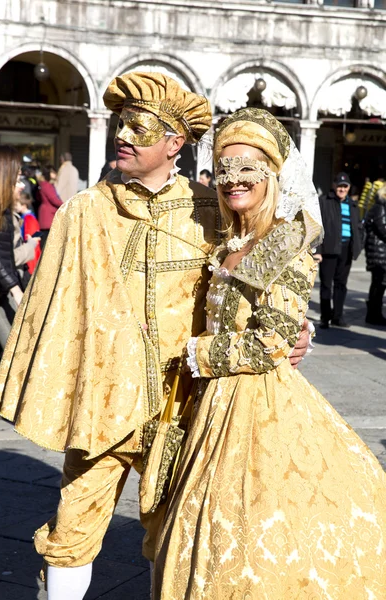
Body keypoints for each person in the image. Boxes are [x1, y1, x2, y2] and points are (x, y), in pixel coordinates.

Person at [0, 74, 310, 600]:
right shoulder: (84, 211)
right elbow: (53, 307)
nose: (124, 135)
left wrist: (298, 330)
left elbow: (249, 285)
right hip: (102, 405)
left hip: (185, 407)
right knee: (73, 529)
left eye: (139, 126)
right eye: (120, 124)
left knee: (177, 533)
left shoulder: (213, 210)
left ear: (174, 143)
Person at [153, 108, 386, 599]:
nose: (233, 180)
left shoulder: (288, 243)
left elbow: (271, 341)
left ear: (273, 177)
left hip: (258, 404)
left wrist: (197, 351)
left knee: (253, 521)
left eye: (247, 170)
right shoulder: (226, 242)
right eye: (225, 169)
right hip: (212, 405)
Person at [0, 144, 24, 350]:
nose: (21, 184)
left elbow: (4, 254)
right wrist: (15, 289)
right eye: (17, 178)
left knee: (13, 347)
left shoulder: (0, 206)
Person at [315, 172, 362, 328]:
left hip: (346, 249)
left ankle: (338, 317)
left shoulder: (353, 205)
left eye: (345, 186)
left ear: (349, 188)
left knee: (341, 284)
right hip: (329, 249)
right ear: (334, 186)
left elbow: (358, 227)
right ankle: (325, 317)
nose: (342, 189)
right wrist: (318, 250)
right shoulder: (324, 202)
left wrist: (358, 245)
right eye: (339, 186)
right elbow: (317, 227)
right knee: (326, 285)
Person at [364, 184, 386, 325]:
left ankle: (375, 313)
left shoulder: (380, 207)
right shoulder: (379, 208)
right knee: (378, 284)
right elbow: (383, 229)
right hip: (378, 253)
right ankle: (373, 314)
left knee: (379, 284)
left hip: (380, 252)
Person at [14, 191, 41, 276]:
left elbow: (30, 235)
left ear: (23, 205)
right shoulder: (25, 217)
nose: (14, 207)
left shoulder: (28, 218)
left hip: (29, 251)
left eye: (16, 205)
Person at [37, 166, 62, 246]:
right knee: (47, 241)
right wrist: (64, 205)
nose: (56, 175)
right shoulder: (47, 185)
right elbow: (54, 199)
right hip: (48, 215)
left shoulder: (43, 184)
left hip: (46, 213)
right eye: (53, 173)